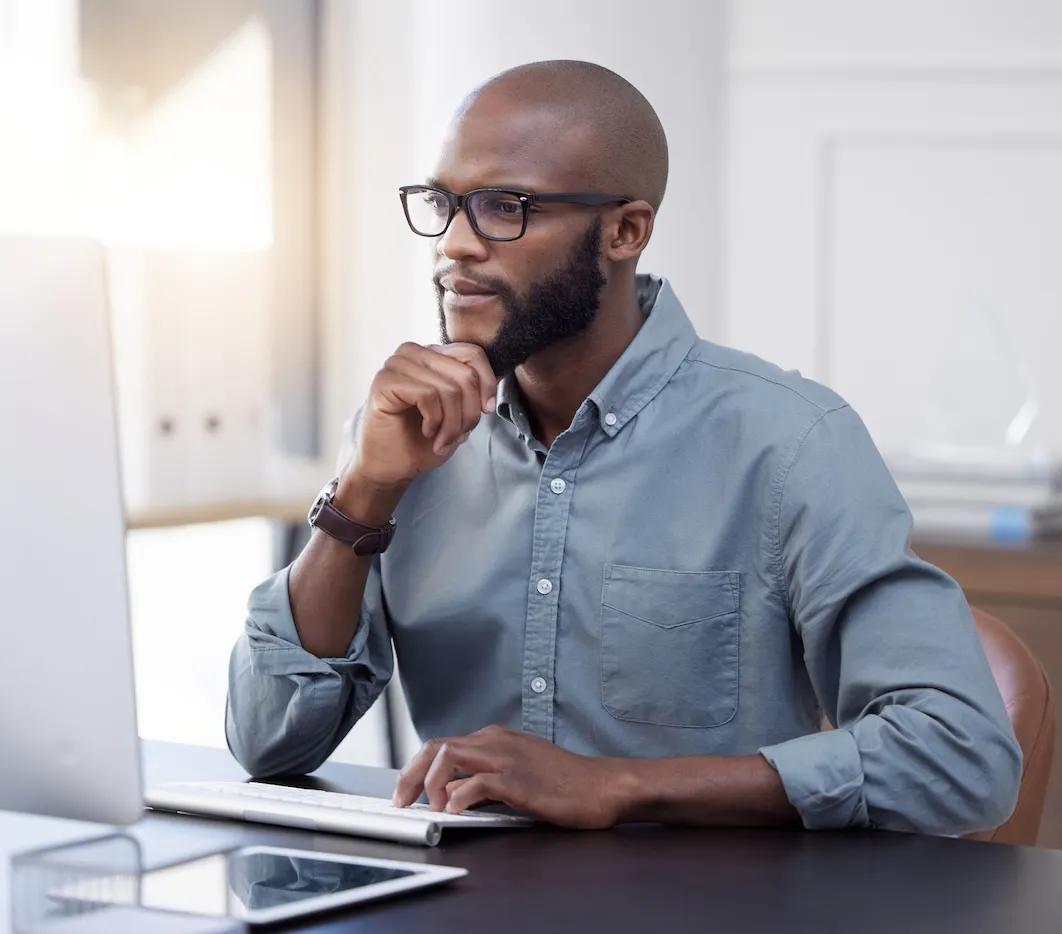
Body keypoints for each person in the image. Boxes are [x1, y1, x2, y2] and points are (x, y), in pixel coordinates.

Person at [225, 60, 1021, 835]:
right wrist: (361, 494)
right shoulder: (403, 434)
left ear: (625, 231)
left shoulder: (792, 442)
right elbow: (268, 742)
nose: (457, 245)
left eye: (504, 207)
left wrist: (620, 786)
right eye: (445, 203)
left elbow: (961, 755)